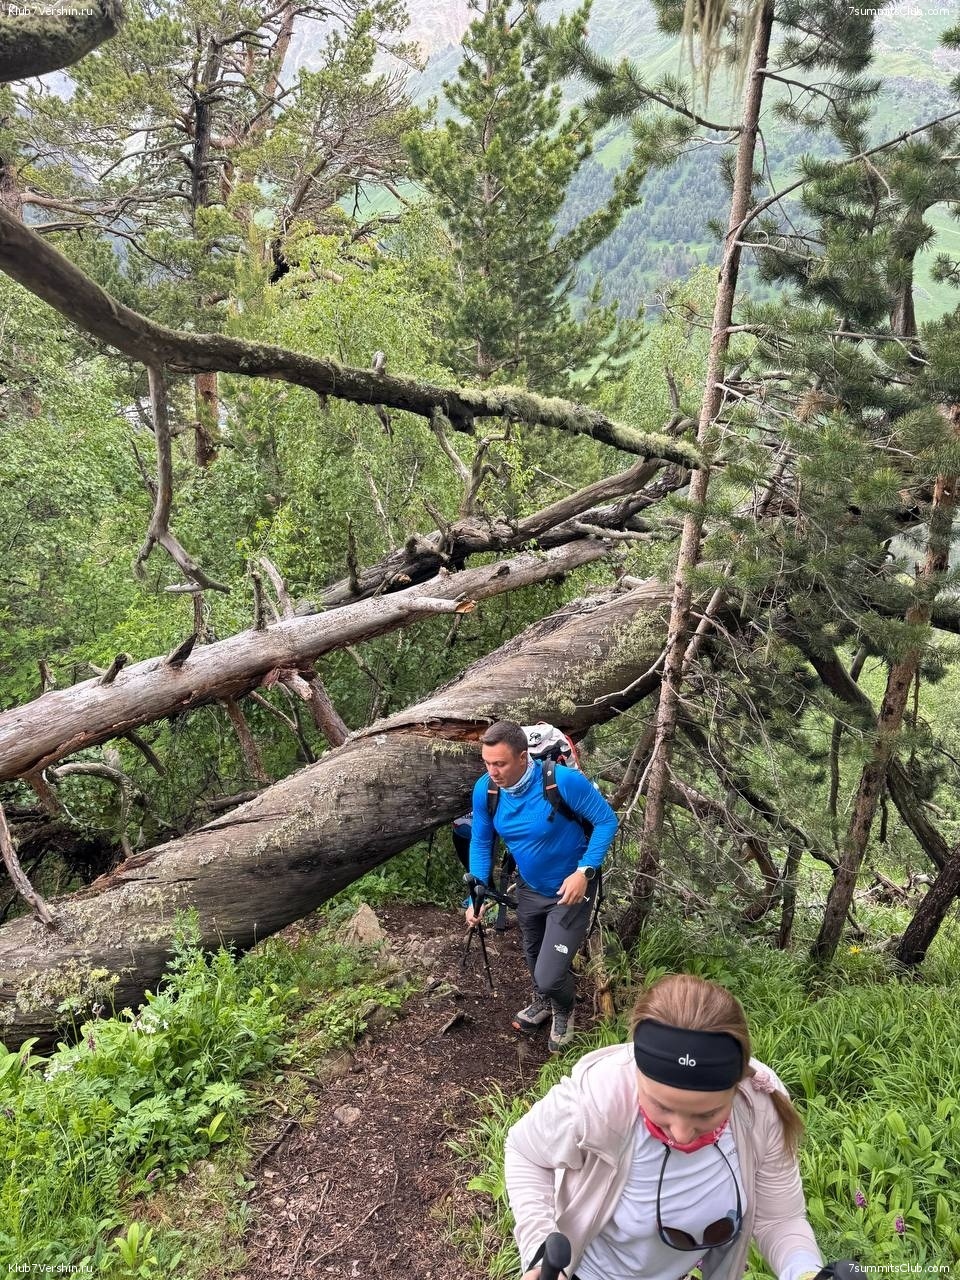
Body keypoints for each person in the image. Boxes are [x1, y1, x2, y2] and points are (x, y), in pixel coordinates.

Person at [505, 973, 866, 1280]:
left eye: (707, 1115)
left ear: (736, 1087)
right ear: (636, 1073)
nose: (680, 1133)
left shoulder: (758, 1104)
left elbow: (780, 1219)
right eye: (662, 1107)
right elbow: (525, 1152)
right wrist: (540, 1249)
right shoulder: (597, 1100)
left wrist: (805, 1272)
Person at [465, 720, 618, 1052]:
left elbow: (607, 821)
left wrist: (585, 872)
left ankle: (564, 1008)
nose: (492, 772)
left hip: (571, 889)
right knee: (533, 955)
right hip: (530, 885)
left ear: (523, 757)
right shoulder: (486, 790)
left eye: (500, 763)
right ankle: (544, 1000)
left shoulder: (562, 782)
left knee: (549, 974)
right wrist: (476, 891)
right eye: (487, 763)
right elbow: (481, 840)